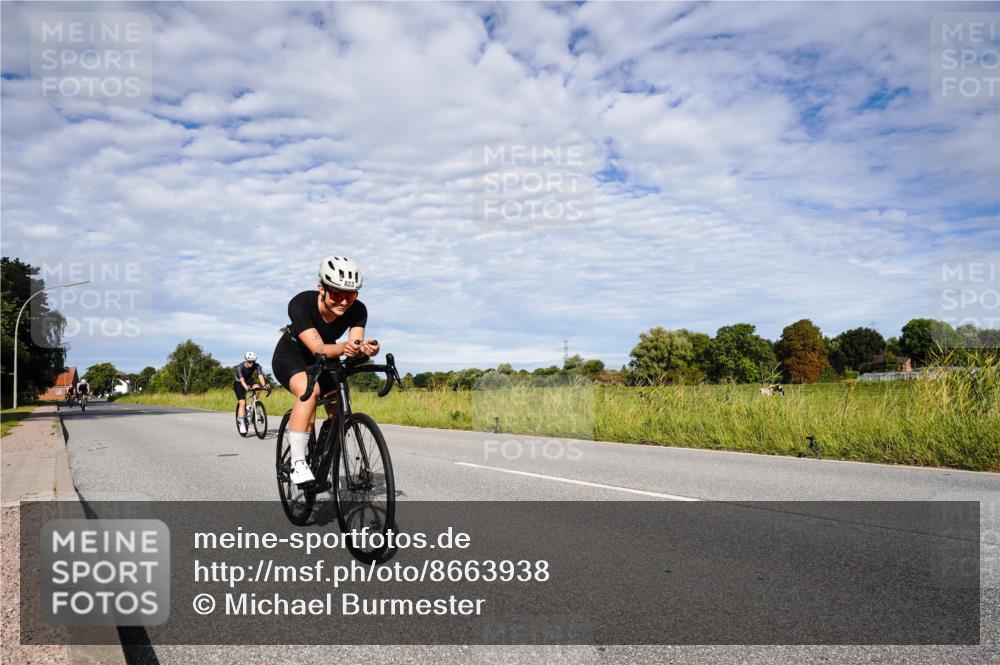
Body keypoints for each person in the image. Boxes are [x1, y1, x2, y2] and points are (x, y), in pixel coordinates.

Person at [271, 255, 379, 485]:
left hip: (327, 359)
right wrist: (344, 347)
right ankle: (298, 462)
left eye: (349, 295)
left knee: (339, 406)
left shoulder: (358, 310)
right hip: (292, 356)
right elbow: (318, 348)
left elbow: (355, 345)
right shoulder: (301, 303)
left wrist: (365, 349)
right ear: (321, 288)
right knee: (310, 390)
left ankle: (320, 460)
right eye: (337, 294)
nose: (344, 301)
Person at [234, 352, 269, 435]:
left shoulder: (257, 366)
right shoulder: (240, 367)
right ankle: (242, 423)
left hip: (249, 381)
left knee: (257, 387)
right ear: (246, 360)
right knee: (242, 403)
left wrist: (264, 385)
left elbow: (260, 376)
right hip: (239, 383)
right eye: (249, 361)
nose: (251, 363)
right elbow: (242, 380)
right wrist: (246, 387)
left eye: (253, 361)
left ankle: (254, 403)